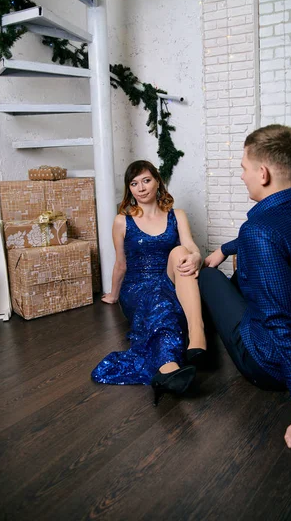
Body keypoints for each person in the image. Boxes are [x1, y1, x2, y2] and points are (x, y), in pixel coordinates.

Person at [199, 125, 291, 467]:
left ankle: (195, 338)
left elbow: (283, 324)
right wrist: (226, 247)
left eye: (244, 168)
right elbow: (282, 237)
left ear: (262, 174)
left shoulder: (259, 232)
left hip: (269, 366)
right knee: (247, 268)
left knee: (205, 275)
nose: (242, 176)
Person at [91, 160, 206, 405]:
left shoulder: (177, 215)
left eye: (146, 180)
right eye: (134, 183)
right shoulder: (122, 221)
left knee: (180, 253)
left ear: (157, 181)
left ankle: (195, 339)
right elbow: (120, 263)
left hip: (169, 279)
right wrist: (113, 295)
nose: (141, 188)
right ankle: (168, 366)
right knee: (160, 300)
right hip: (136, 287)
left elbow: (191, 247)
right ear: (129, 189)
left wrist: (196, 257)